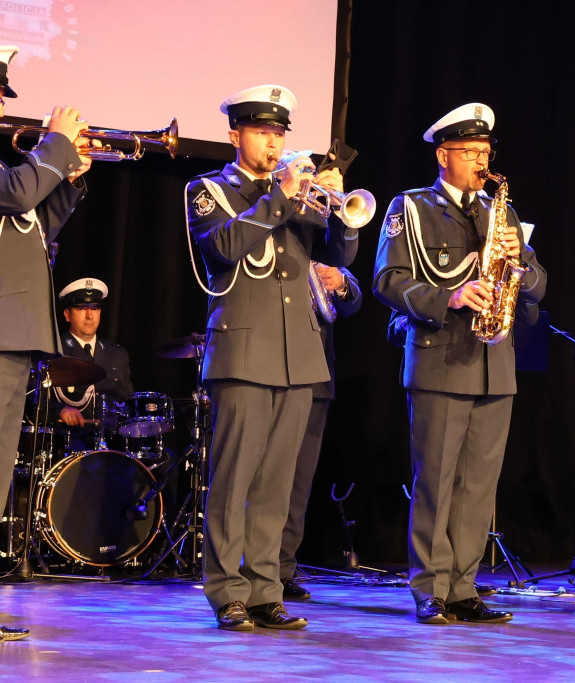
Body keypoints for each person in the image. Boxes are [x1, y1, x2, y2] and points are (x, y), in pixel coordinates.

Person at [185, 84, 353, 631]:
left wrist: (340, 212)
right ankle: (226, 592)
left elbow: (334, 258)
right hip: (243, 350)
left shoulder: (298, 196)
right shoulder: (208, 189)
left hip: (298, 354)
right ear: (236, 135)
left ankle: (263, 589)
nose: (274, 142)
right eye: (262, 131)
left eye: (280, 133)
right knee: (234, 481)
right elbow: (226, 247)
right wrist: (281, 195)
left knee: (278, 485)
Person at [373, 103, 546, 625]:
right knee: (437, 479)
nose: (479, 160)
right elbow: (387, 281)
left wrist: (522, 266)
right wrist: (447, 296)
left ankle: (464, 587)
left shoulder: (502, 213)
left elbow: (539, 284)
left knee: (478, 486)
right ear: (443, 154)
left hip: (496, 362)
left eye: (485, 152)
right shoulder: (411, 206)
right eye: (470, 152)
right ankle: (430, 586)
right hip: (440, 360)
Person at [0, 44, 93, 642]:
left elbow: (32, 225)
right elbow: (15, 196)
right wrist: (54, 146)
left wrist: (69, 179)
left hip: (13, 335)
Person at [280, 264, 362, 600]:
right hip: (273, 368)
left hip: (316, 378)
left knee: (298, 484)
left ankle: (282, 569)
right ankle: (250, 569)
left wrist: (341, 282)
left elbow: (353, 299)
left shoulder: (325, 244)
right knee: (269, 479)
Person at [42, 278, 133, 451]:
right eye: (82, 308)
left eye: (95, 309)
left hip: (111, 443)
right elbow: (34, 401)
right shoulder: (53, 352)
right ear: (67, 315)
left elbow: (126, 401)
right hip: (67, 442)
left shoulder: (116, 354)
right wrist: (60, 411)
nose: (90, 316)